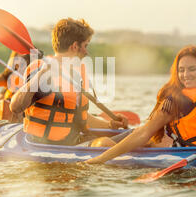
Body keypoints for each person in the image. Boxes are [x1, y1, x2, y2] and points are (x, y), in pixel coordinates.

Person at [9, 18, 128, 146]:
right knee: (105, 143)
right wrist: (41, 73)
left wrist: (110, 125)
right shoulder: (42, 70)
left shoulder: (76, 74)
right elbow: (15, 107)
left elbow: (79, 116)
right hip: (44, 145)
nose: (86, 51)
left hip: (73, 143)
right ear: (75, 46)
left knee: (132, 136)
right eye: (85, 45)